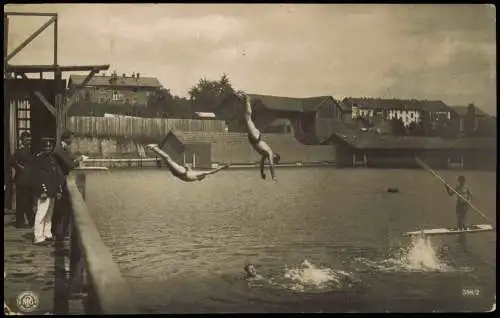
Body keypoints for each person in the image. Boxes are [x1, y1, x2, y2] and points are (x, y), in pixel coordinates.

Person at [237, 92, 280, 181]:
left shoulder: (266, 155)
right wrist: (274, 177)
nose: (272, 161)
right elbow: (271, 165)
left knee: (246, 118)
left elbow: (262, 163)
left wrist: (262, 173)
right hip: (256, 138)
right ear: (275, 156)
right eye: (275, 160)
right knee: (247, 117)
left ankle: (244, 101)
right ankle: (247, 99)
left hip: (254, 140)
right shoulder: (270, 153)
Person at [32, 137, 65, 245]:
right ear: (42, 147)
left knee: (49, 213)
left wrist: (58, 189)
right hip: (44, 189)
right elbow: (37, 176)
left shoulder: (52, 158)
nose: (48, 148)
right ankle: (38, 237)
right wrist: (42, 189)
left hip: (52, 189)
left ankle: (47, 233)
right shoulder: (39, 159)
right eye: (46, 146)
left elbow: (56, 175)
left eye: (50, 146)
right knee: (41, 213)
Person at [52, 131, 85, 237]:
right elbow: (69, 165)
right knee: (60, 207)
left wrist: (75, 160)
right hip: (59, 180)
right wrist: (78, 160)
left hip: (62, 179)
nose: (72, 141)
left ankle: (61, 230)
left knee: (63, 206)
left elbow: (68, 161)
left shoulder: (64, 149)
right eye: (71, 139)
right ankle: (57, 231)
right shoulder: (59, 150)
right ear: (66, 139)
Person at [145, 144, 230, 182]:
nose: (203, 174)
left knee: (167, 158)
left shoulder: (199, 174)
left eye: (203, 176)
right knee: (166, 159)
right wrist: (187, 167)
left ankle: (153, 148)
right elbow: (188, 173)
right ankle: (153, 149)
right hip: (178, 173)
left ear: (201, 177)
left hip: (181, 172)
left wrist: (223, 167)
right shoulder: (195, 175)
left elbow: (212, 171)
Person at [9, 131, 35, 228]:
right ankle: (19, 222)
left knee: (29, 201)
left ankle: (31, 220)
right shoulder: (19, 150)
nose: (28, 141)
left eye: (29, 139)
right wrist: (19, 167)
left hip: (29, 180)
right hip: (21, 180)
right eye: (26, 139)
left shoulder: (30, 150)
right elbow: (11, 161)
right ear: (22, 140)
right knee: (21, 201)